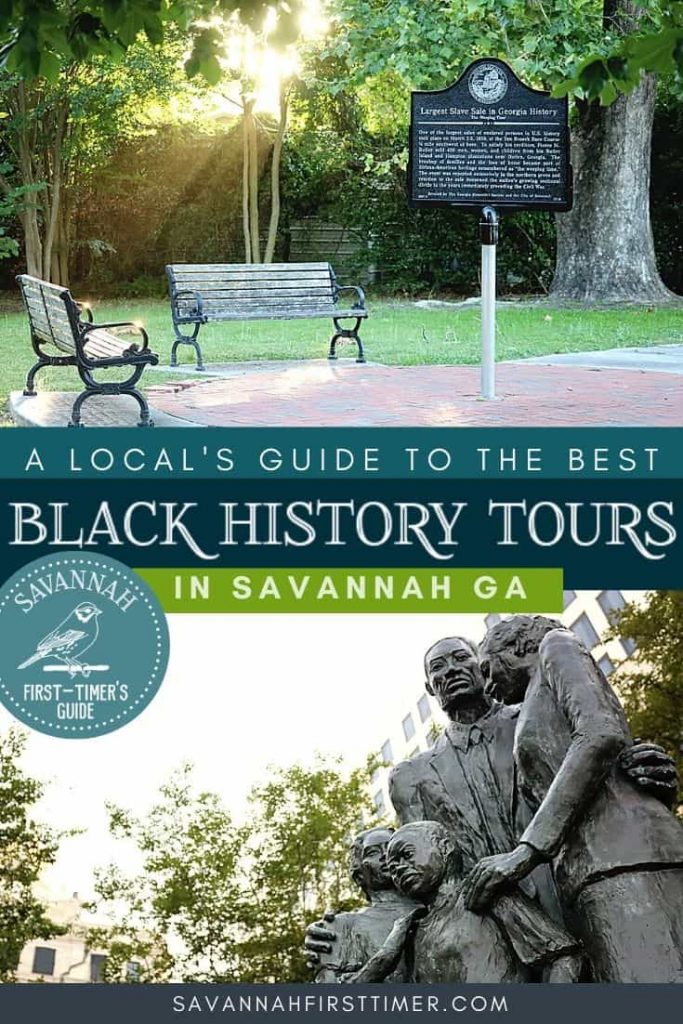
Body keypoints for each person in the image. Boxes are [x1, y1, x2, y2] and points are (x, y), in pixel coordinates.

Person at [464, 615, 683, 983]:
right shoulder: (531, 702)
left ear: (517, 646)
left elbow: (599, 733)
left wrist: (525, 853)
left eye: (486, 669)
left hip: (622, 856)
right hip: (591, 873)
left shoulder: (556, 645)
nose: (486, 686)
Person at [347, 821, 582, 984]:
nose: (397, 868)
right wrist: (387, 953)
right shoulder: (412, 930)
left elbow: (563, 957)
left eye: (406, 854)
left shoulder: (486, 895)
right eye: (392, 865)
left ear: (445, 847)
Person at [305, 826, 418, 982]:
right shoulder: (340, 926)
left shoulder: (437, 907)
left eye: (391, 846)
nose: (385, 855)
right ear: (359, 875)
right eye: (373, 852)